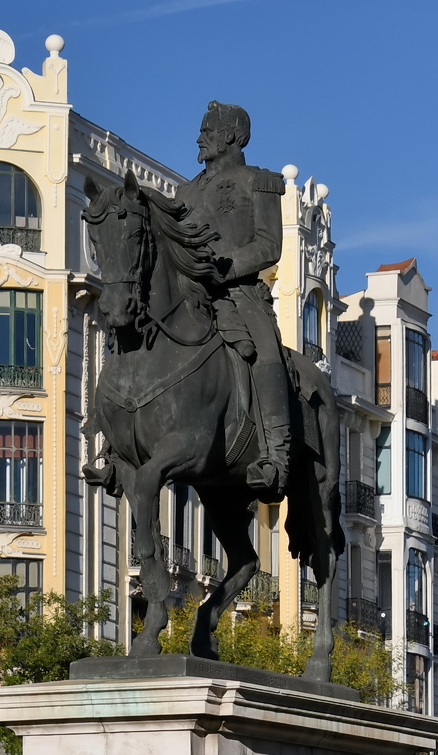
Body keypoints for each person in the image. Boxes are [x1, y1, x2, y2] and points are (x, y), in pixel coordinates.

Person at [177, 101, 291, 500]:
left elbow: (269, 245)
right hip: (193, 292)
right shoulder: (185, 191)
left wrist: (222, 268)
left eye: (206, 131)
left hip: (240, 292)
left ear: (228, 136)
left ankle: (277, 455)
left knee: (266, 355)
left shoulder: (257, 181)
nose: (199, 138)